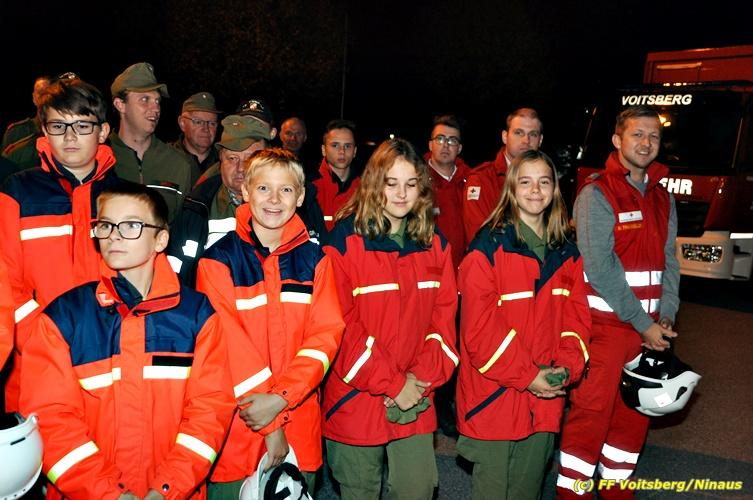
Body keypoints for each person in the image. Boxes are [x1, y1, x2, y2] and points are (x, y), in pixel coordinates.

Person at [19, 183, 235, 499]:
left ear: (161, 239)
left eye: (131, 225)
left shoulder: (197, 315)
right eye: (106, 225)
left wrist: (167, 489)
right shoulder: (65, 317)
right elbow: (51, 420)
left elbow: (209, 413)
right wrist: (109, 494)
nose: (114, 236)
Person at [195, 148, 344, 498]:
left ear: (301, 196)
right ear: (246, 190)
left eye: (286, 189)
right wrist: (273, 423)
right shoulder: (216, 262)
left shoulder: (316, 262)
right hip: (237, 428)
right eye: (263, 188)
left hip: (299, 423)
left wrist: (281, 399)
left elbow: (324, 339)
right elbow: (229, 347)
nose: (274, 199)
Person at [322, 138, 459, 499]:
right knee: (360, 491)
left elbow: (444, 326)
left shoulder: (436, 244)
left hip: (416, 392)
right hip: (355, 396)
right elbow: (340, 329)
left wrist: (417, 381)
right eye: (391, 183)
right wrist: (393, 384)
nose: (401, 194)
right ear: (374, 184)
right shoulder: (343, 242)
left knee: (416, 488)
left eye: (411, 184)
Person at [556, 106, 680, 499]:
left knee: (633, 419)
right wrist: (645, 324)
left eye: (653, 136)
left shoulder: (663, 197)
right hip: (606, 331)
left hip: (650, 332)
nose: (646, 143)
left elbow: (670, 262)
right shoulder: (597, 193)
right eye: (637, 134)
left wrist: (666, 316)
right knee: (590, 419)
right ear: (617, 140)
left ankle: (616, 492)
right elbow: (600, 267)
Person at [456, 150, 591, 500]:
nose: (535, 190)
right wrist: (530, 376)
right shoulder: (486, 250)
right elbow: (480, 334)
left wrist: (565, 370)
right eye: (526, 182)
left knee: (527, 491)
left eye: (544, 182)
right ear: (512, 189)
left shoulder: (567, 253)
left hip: (546, 399)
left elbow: (577, 323)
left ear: (554, 190)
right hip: (495, 397)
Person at [0, 76, 120, 412]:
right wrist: (42, 337)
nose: (69, 136)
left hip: (111, 359)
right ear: (44, 131)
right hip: (34, 363)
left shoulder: (126, 197)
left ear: (103, 132)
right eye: (58, 126)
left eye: (82, 125)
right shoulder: (17, 192)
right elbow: (6, 282)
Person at [167, 114, 271, 285]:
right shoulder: (195, 208)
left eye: (249, 159)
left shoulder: (286, 209)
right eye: (232, 158)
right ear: (220, 160)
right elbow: (175, 277)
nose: (241, 168)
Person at [109, 62, 194, 221]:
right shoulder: (100, 159)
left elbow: (181, 226)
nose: (156, 109)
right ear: (120, 105)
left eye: (157, 101)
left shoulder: (177, 164)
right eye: (145, 99)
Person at [463, 107, 543, 242]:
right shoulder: (481, 179)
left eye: (533, 134)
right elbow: (478, 238)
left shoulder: (547, 181)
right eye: (518, 133)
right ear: (505, 137)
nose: (526, 140)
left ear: (540, 140)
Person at [426, 114, 471, 271]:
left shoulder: (472, 181)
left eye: (452, 140)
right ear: (430, 145)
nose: (445, 145)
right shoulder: (416, 181)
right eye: (440, 139)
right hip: (429, 270)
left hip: (465, 271)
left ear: (459, 148)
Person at [310, 119, 360, 231]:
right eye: (335, 145)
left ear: (355, 151)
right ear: (323, 150)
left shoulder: (366, 188)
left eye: (347, 146)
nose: (342, 151)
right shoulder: (308, 187)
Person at [173, 92, 222, 177]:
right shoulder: (165, 158)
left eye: (212, 123)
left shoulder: (226, 162)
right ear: (182, 123)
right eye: (198, 122)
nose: (206, 129)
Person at [1, 75, 50, 150]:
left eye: (48, 92)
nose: (44, 97)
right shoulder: (15, 132)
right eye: (40, 92)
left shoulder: (64, 130)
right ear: (34, 98)